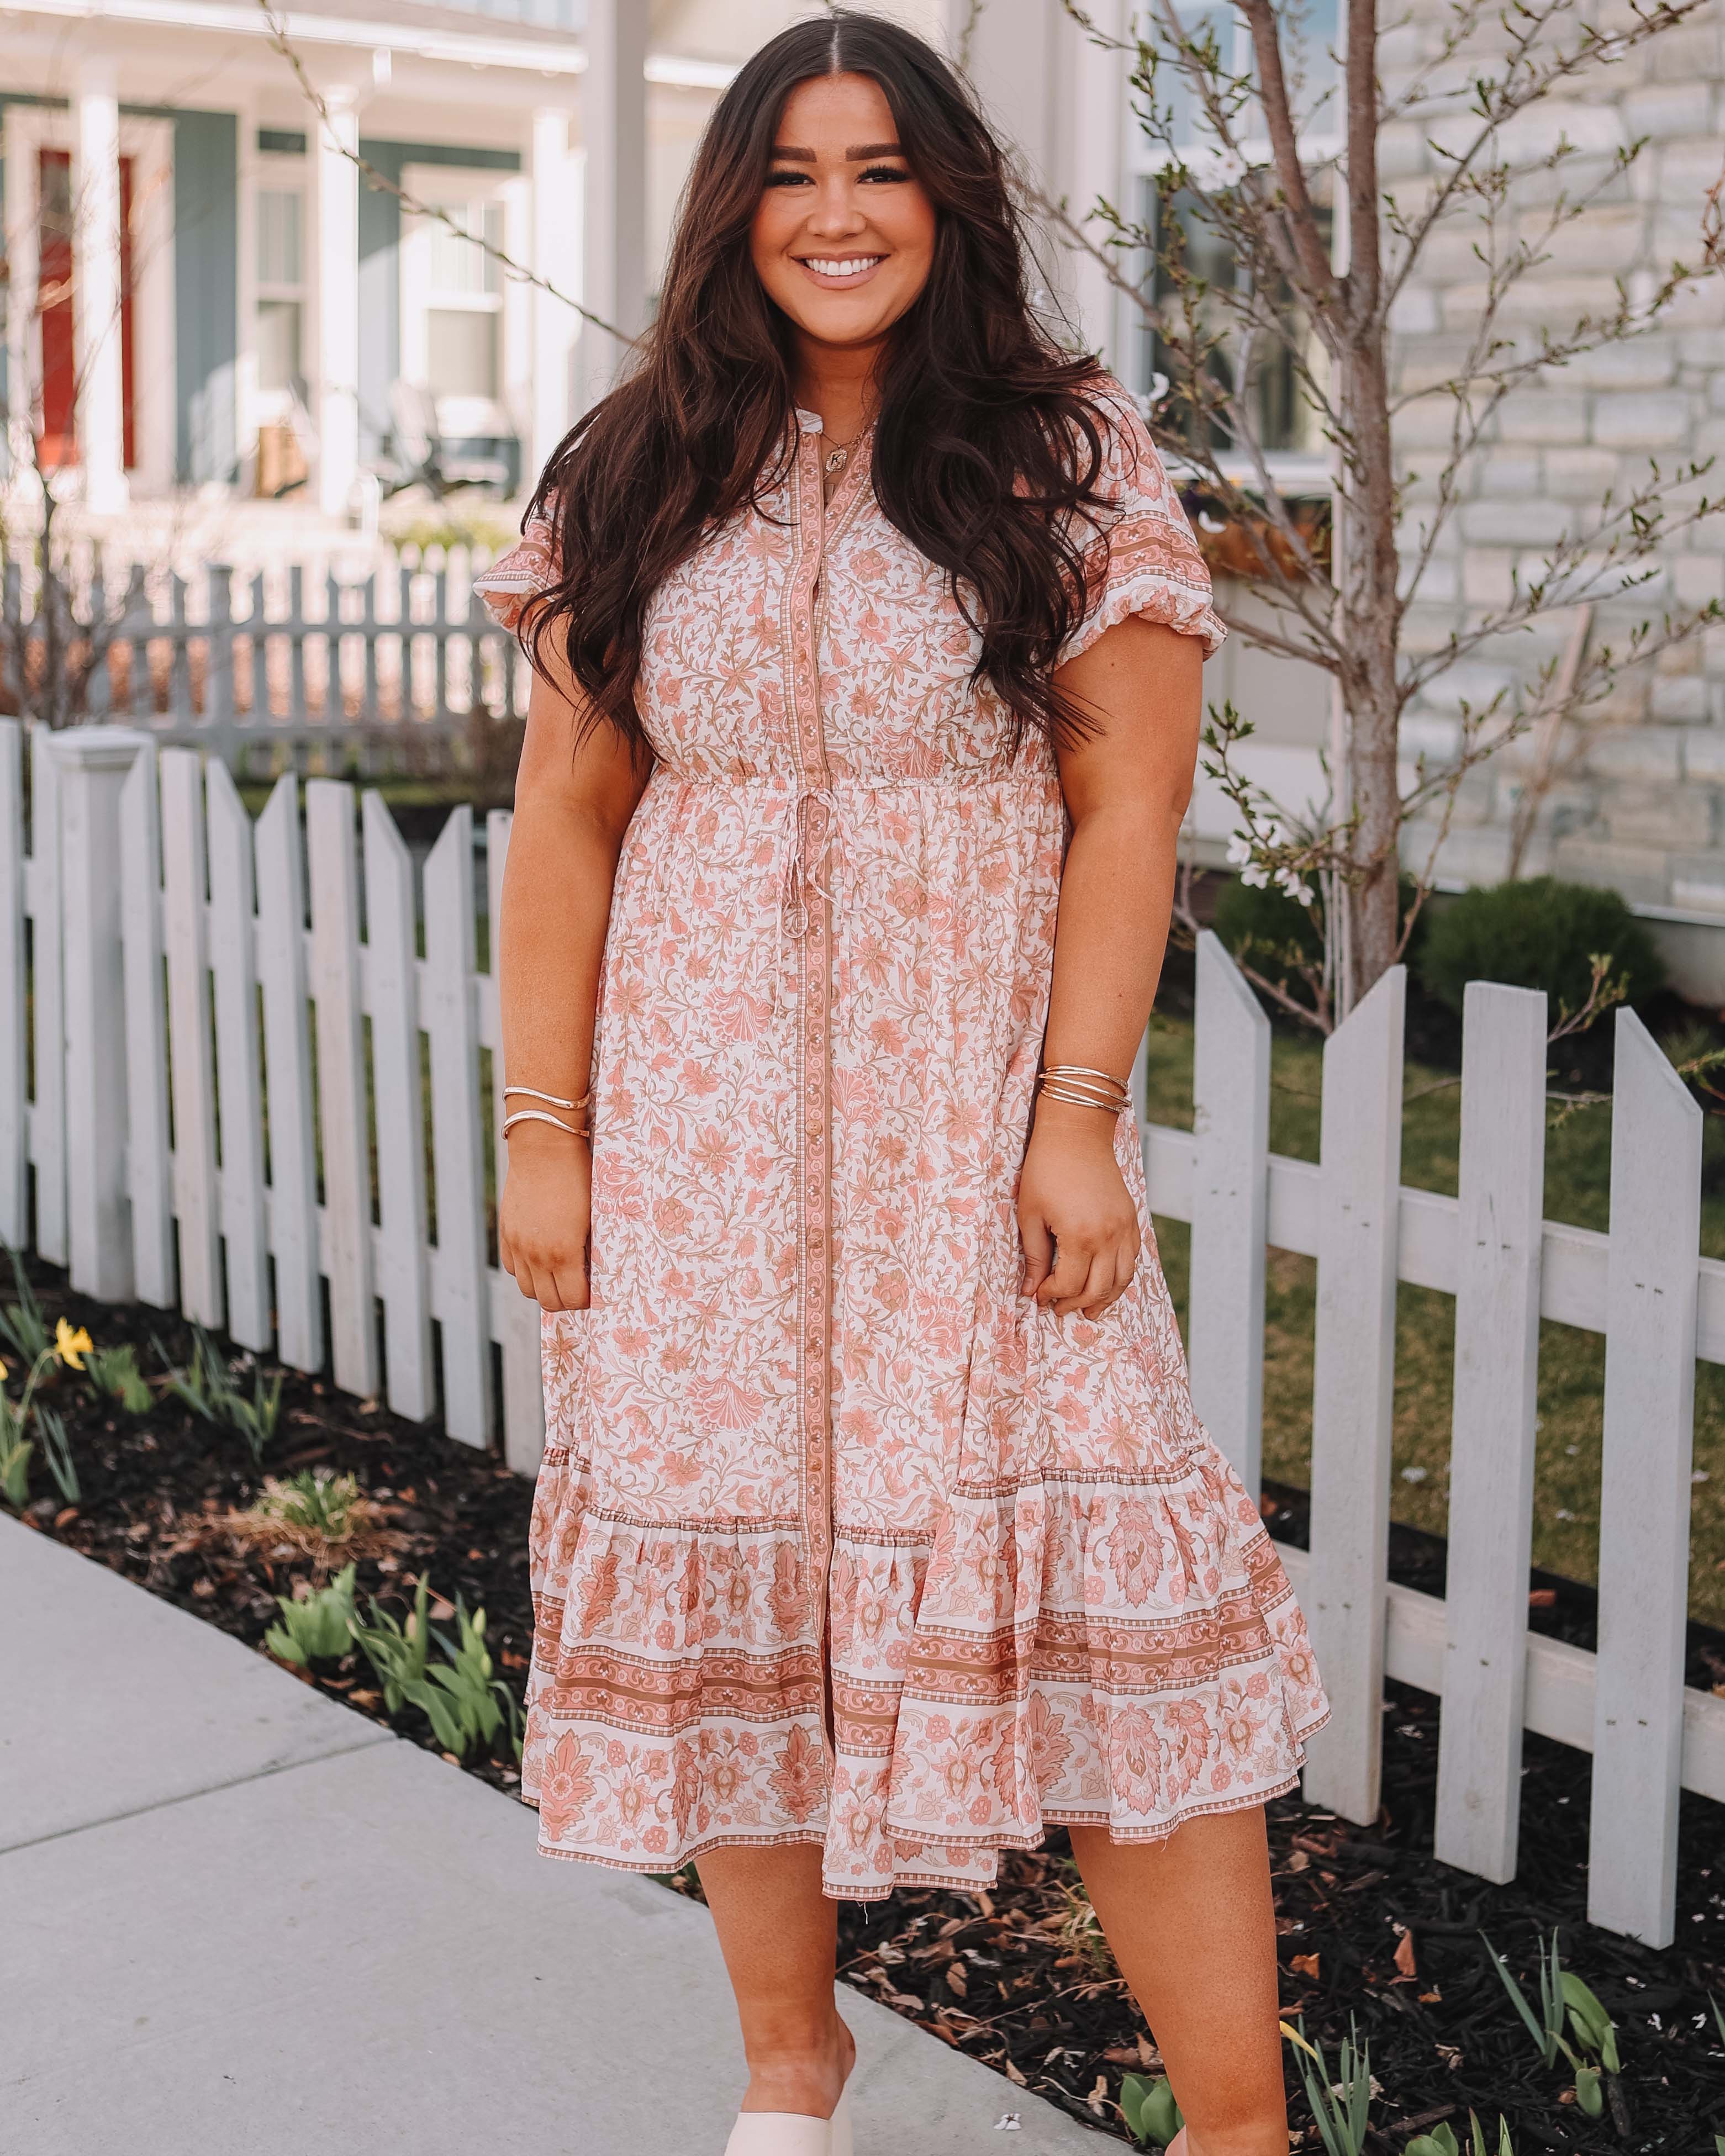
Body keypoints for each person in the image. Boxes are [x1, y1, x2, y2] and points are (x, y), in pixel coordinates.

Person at [478, 14, 1328, 2155]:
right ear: (732, 208)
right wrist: (544, 1132)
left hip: (971, 1129)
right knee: (733, 1592)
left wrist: (1074, 1112)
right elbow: (567, 816)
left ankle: (1237, 2126)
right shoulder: (634, 465)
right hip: (700, 1139)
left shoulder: (1062, 452)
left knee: (1118, 1610)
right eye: (789, 170)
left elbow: (1127, 801)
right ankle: (792, 2073)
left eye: (878, 168)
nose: (835, 214)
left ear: (947, 195)